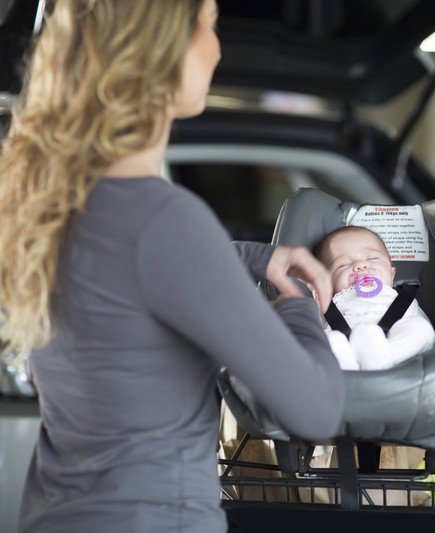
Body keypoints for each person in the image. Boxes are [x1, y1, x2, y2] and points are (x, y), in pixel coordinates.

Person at [0, 1, 345, 532]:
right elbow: (315, 408)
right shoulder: (163, 221)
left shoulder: (56, 206)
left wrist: (261, 257)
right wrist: (299, 305)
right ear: (160, 49)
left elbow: (142, 275)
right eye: (208, 24)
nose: (218, 46)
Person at [312, 225, 435, 370]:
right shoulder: (327, 304)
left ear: (392, 274)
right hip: (346, 353)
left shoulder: (401, 298)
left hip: (393, 348)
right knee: (329, 341)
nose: (361, 265)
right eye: (343, 265)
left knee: (420, 327)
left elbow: (419, 329)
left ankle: (384, 359)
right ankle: (348, 368)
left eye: (373, 258)